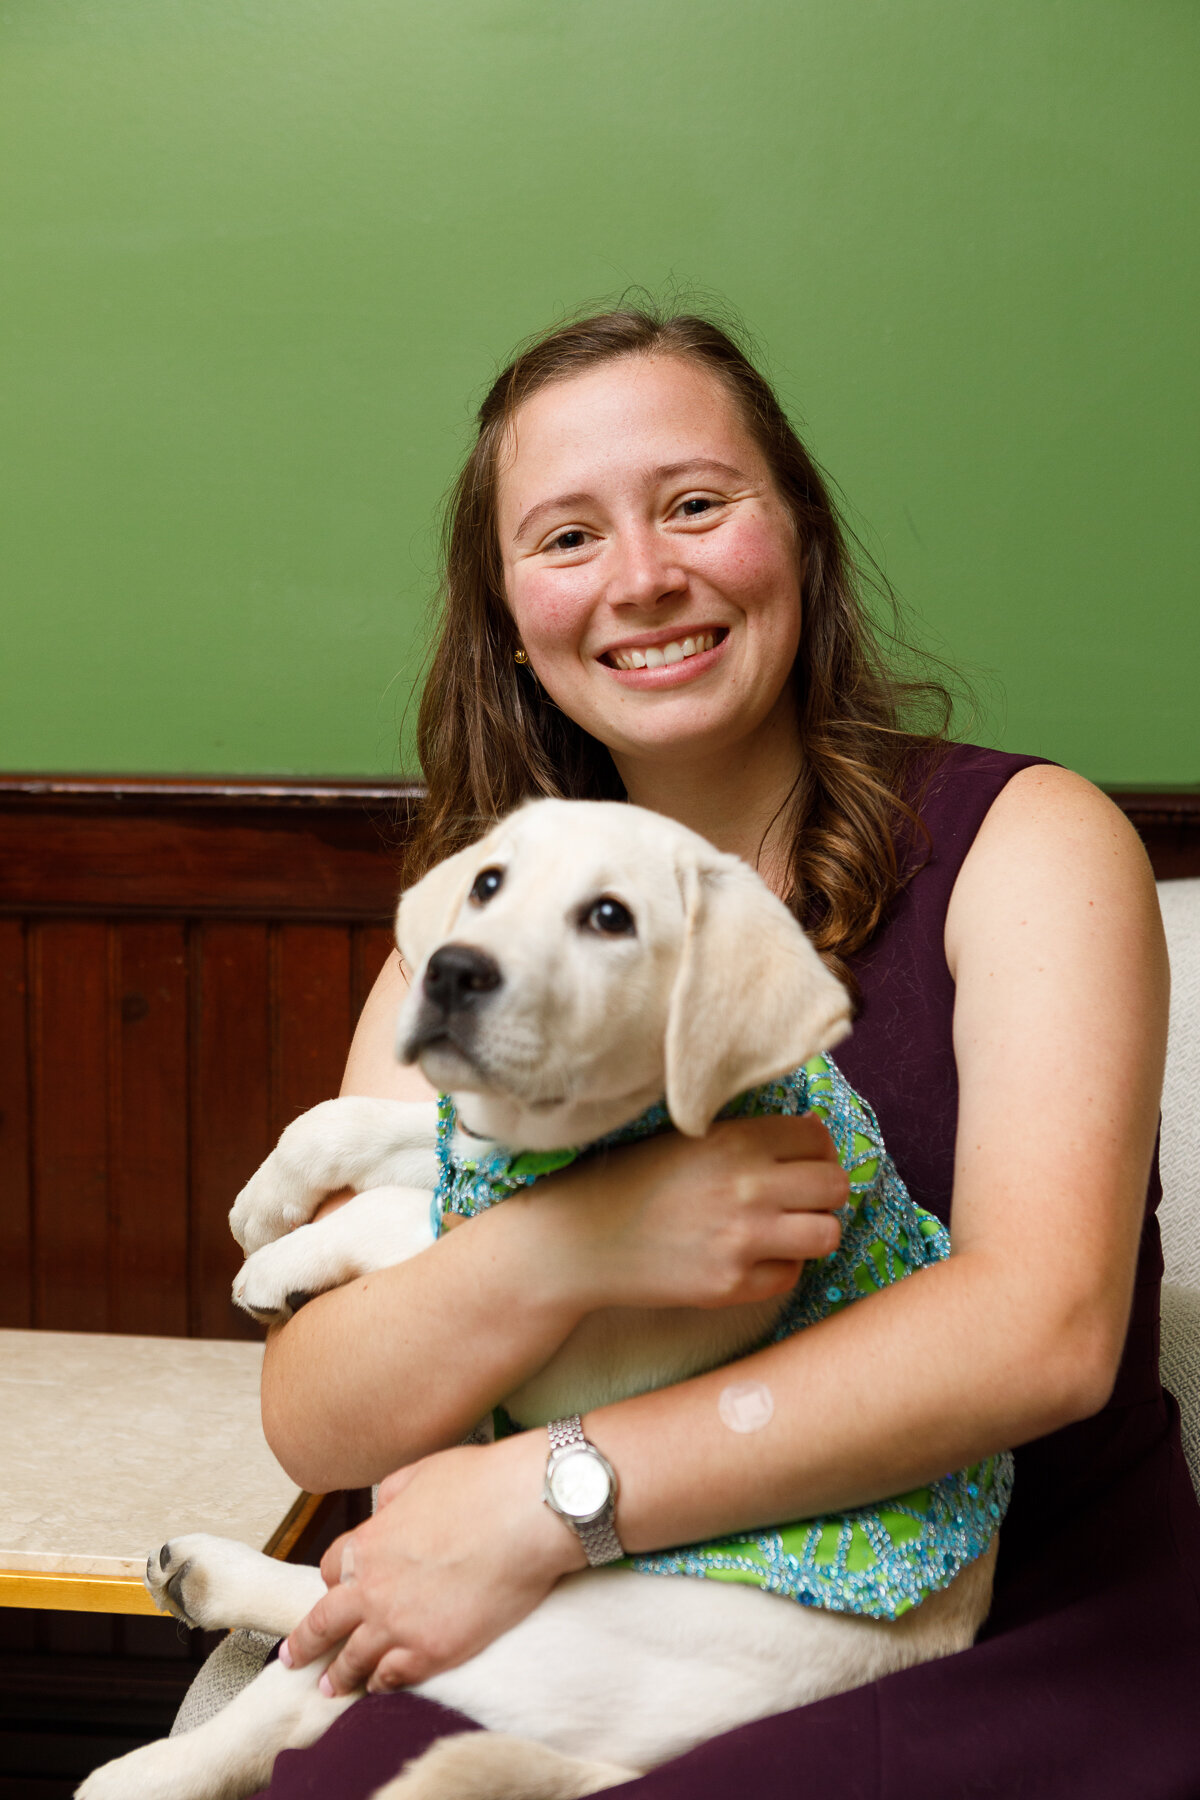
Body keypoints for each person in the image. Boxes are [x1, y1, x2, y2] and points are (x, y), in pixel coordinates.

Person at [250, 310, 1199, 1797]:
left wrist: (554, 1495)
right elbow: (318, 1411)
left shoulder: (1028, 845)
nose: (643, 577)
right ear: (508, 614)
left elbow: (1046, 1329)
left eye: (697, 503)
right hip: (590, 1628)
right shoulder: (474, 945)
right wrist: (574, 1248)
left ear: (802, 543)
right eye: (566, 536)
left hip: (1015, 1628)